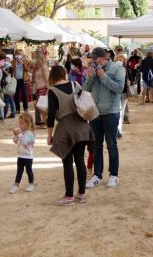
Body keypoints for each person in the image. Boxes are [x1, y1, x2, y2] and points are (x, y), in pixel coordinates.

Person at [47, 64, 93, 205]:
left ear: (52, 76)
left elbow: (51, 116)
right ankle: (81, 194)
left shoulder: (52, 91)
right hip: (82, 126)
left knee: (67, 163)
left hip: (65, 129)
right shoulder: (76, 84)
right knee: (80, 160)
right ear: (64, 73)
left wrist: (49, 134)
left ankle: (69, 197)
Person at [84, 47, 125, 189]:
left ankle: (114, 175)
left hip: (111, 112)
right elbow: (86, 90)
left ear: (103, 57)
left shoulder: (117, 69)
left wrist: (103, 76)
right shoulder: (93, 69)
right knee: (96, 145)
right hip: (95, 113)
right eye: (92, 59)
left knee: (111, 144)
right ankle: (97, 175)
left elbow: (119, 88)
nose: (93, 61)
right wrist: (89, 77)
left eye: (95, 59)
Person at [9, 113, 36, 194]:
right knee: (19, 171)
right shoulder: (22, 132)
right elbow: (16, 141)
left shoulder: (30, 134)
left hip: (28, 156)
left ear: (28, 123)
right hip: (20, 156)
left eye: (22, 123)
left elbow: (24, 142)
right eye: (19, 123)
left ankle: (31, 184)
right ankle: (16, 185)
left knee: (29, 170)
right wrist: (15, 135)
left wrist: (19, 134)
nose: (20, 125)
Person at [31, 48, 50, 127]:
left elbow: (47, 78)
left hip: (43, 88)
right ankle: (44, 122)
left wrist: (48, 89)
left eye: (35, 58)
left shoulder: (44, 66)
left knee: (42, 107)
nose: (34, 59)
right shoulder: (37, 67)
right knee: (39, 107)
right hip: (38, 89)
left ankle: (45, 122)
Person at [12, 48, 31, 115]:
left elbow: (28, 69)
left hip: (24, 80)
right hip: (15, 80)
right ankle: (17, 109)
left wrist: (23, 64)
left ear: (23, 55)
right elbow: (11, 70)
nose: (19, 55)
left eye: (20, 54)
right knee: (16, 95)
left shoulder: (26, 61)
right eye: (18, 54)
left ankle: (26, 109)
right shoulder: (13, 61)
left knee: (24, 95)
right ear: (15, 54)